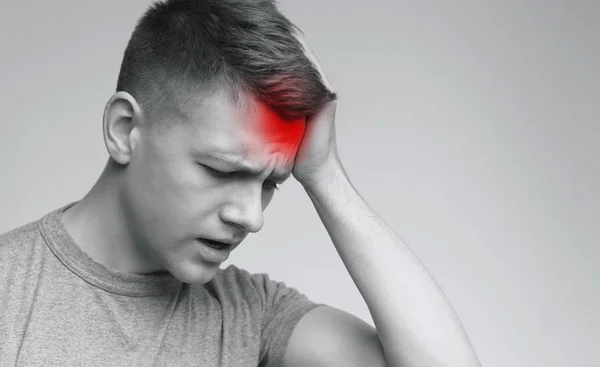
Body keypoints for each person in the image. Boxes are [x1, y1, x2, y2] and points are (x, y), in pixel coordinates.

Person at [0, 0, 482, 366]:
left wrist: (324, 175)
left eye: (272, 182)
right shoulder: (9, 289)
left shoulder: (250, 315)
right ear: (125, 130)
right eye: (224, 171)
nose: (251, 218)